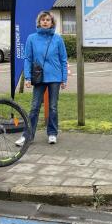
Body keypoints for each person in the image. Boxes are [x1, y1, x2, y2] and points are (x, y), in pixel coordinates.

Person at [15, 11, 68, 146]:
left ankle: (52, 133)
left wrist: (64, 78)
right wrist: (27, 77)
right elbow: (28, 59)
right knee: (34, 107)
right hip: (39, 77)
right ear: (39, 22)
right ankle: (28, 135)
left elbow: (63, 59)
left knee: (53, 107)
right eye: (43, 19)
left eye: (48, 20)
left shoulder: (58, 39)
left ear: (52, 23)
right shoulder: (31, 38)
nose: (45, 22)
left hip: (55, 77)